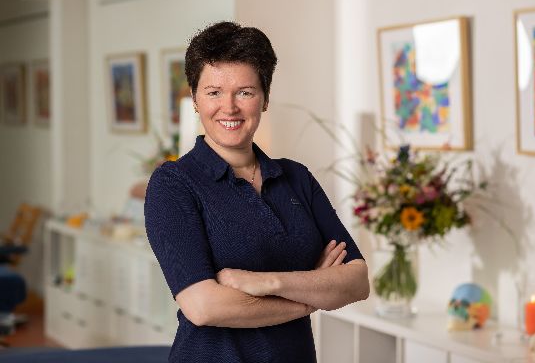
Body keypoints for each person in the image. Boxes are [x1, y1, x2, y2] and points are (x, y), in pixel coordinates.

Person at [144, 21, 369, 363]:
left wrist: (268, 283)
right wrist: (312, 295)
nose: (229, 107)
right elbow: (203, 307)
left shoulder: (296, 178)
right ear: (194, 99)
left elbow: (356, 281)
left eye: (245, 92)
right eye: (213, 92)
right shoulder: (173, 184)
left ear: (264, 98)